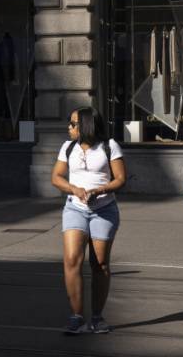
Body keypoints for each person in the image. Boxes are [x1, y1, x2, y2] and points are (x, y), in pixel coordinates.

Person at [51, 106, 127, 335]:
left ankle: (97, 317)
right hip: (75, 208)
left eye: (73, 123)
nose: (69, 127)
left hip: (104, 210)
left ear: (85, 125)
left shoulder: (109, 146)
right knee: (72, 259)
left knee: (100, 264)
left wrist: (100, 189)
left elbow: (121, 179)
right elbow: (56, 177)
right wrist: (74, 189)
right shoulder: (68, 147)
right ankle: (76, 316)